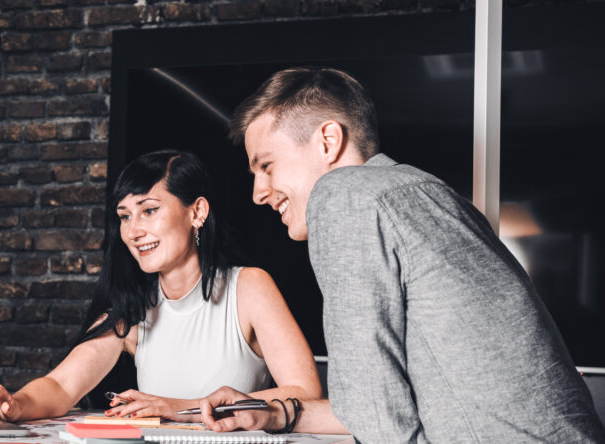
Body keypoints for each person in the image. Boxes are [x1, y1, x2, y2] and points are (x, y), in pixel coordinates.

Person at [198, 67, 605, 441]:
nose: (258, 192)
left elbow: (378, 415)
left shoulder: (346, 195)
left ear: (328, 141)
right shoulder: (428, 194)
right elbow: (392, 404)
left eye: (266, 165)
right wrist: (277, 414)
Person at [0, 150, 322, 424]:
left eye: (149, 210)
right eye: (125, 216)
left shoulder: (249, 286)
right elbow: (60, 386)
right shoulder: (135, 306)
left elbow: (305, 393)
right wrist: (13, 402)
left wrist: (182, 407)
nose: (133, 230)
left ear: (197, 212)